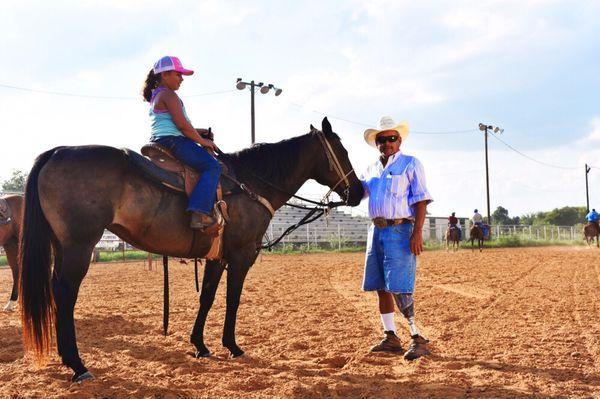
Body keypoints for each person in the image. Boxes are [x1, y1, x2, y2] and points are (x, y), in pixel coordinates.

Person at [359, 115, 433, 360]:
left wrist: (417, 232)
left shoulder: (411, 164)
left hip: (401, 230)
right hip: (376, 230)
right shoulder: (371, 169)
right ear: (376, 143)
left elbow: (421, 200)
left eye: (391, 138)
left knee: (400, 286)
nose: (387, 143)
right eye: (382, 139)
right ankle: (390, 336)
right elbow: (358, 193)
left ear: (399, 140)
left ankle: (417, 337)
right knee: (380, 286)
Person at [142, 56, 221, 230]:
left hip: (163, 139)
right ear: (165, 75)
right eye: (178, 74)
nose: (181, 79)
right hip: (173, 141)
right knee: (213, 166)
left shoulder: (157, 95)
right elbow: (182, 126)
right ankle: (200, 213)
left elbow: (178, 124)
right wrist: (203, 141)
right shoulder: (169, 95)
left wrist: (199, 132)